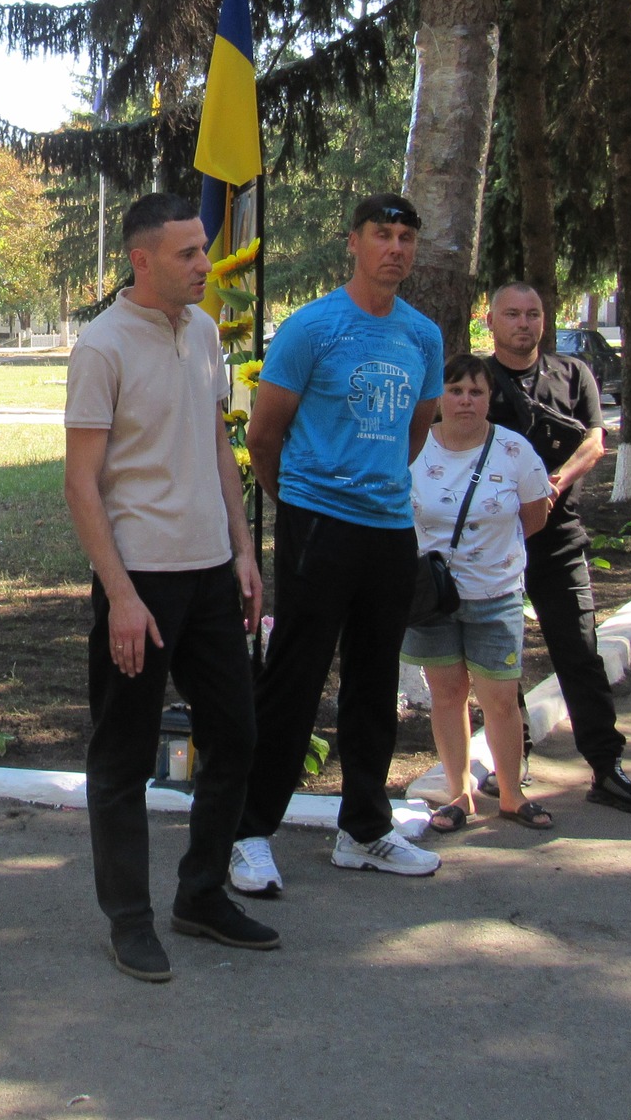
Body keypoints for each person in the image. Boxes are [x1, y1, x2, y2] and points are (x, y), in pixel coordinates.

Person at [64, 194, 275, 983]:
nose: (205, 264)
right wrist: (120, 594)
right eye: (188, 253)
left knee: (237, 736)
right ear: (141, 260)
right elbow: (81, 484)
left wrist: (243, 550)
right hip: (141, 581)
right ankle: (129, 920)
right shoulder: (102, 346)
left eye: (204, 249)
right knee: (123, 755)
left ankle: (201, 894)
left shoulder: (206, 331)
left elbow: (218, 446)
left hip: (211, 571)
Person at [228, 193, 446, 894]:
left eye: (406, 237)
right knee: (295, 677)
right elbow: (264, 435)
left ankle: (365, 830)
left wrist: (375, 487)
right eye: (382, 234)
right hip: (317, 523)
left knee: (375, 682)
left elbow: (415, 432)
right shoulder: (312, 328)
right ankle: (249, 832)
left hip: (389, 529)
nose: (395, 248)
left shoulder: (423, 337)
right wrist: (298, 502)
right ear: (353, 241)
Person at [483, 283, 631, 814]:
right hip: (493, 542)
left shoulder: (573, 373)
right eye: (512, 314)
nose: (524, 323)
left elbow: (594, 441)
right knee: (501, 658)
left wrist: (552, 484)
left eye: (533, 314)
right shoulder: (476, 379)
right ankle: (514, 760)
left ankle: (606, 767)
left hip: (559, 539)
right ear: (490, 321)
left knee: (580, 653)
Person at [402, 354, 554, 831]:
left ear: (490, 399)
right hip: (430, 599)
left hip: (495, 594)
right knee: (447, 696)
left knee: (500, 699)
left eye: (476, 392)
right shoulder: (413, 446)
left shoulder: (514, 450)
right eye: (455, 391)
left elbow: (534, 516)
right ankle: (459, 795)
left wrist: (491, 555)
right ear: (438, 398)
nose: (465, 401)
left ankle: (511, 795)